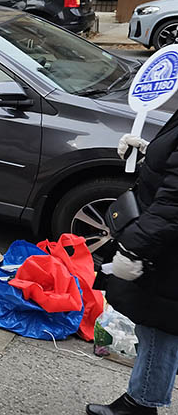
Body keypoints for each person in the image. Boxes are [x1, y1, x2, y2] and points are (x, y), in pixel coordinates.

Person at [83, 131, 178, 414]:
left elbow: (173, 204)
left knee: (160, 327)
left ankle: (140, 404)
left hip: (167, 250)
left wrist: (134, 247)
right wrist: (150, 156)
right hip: (166, 245)